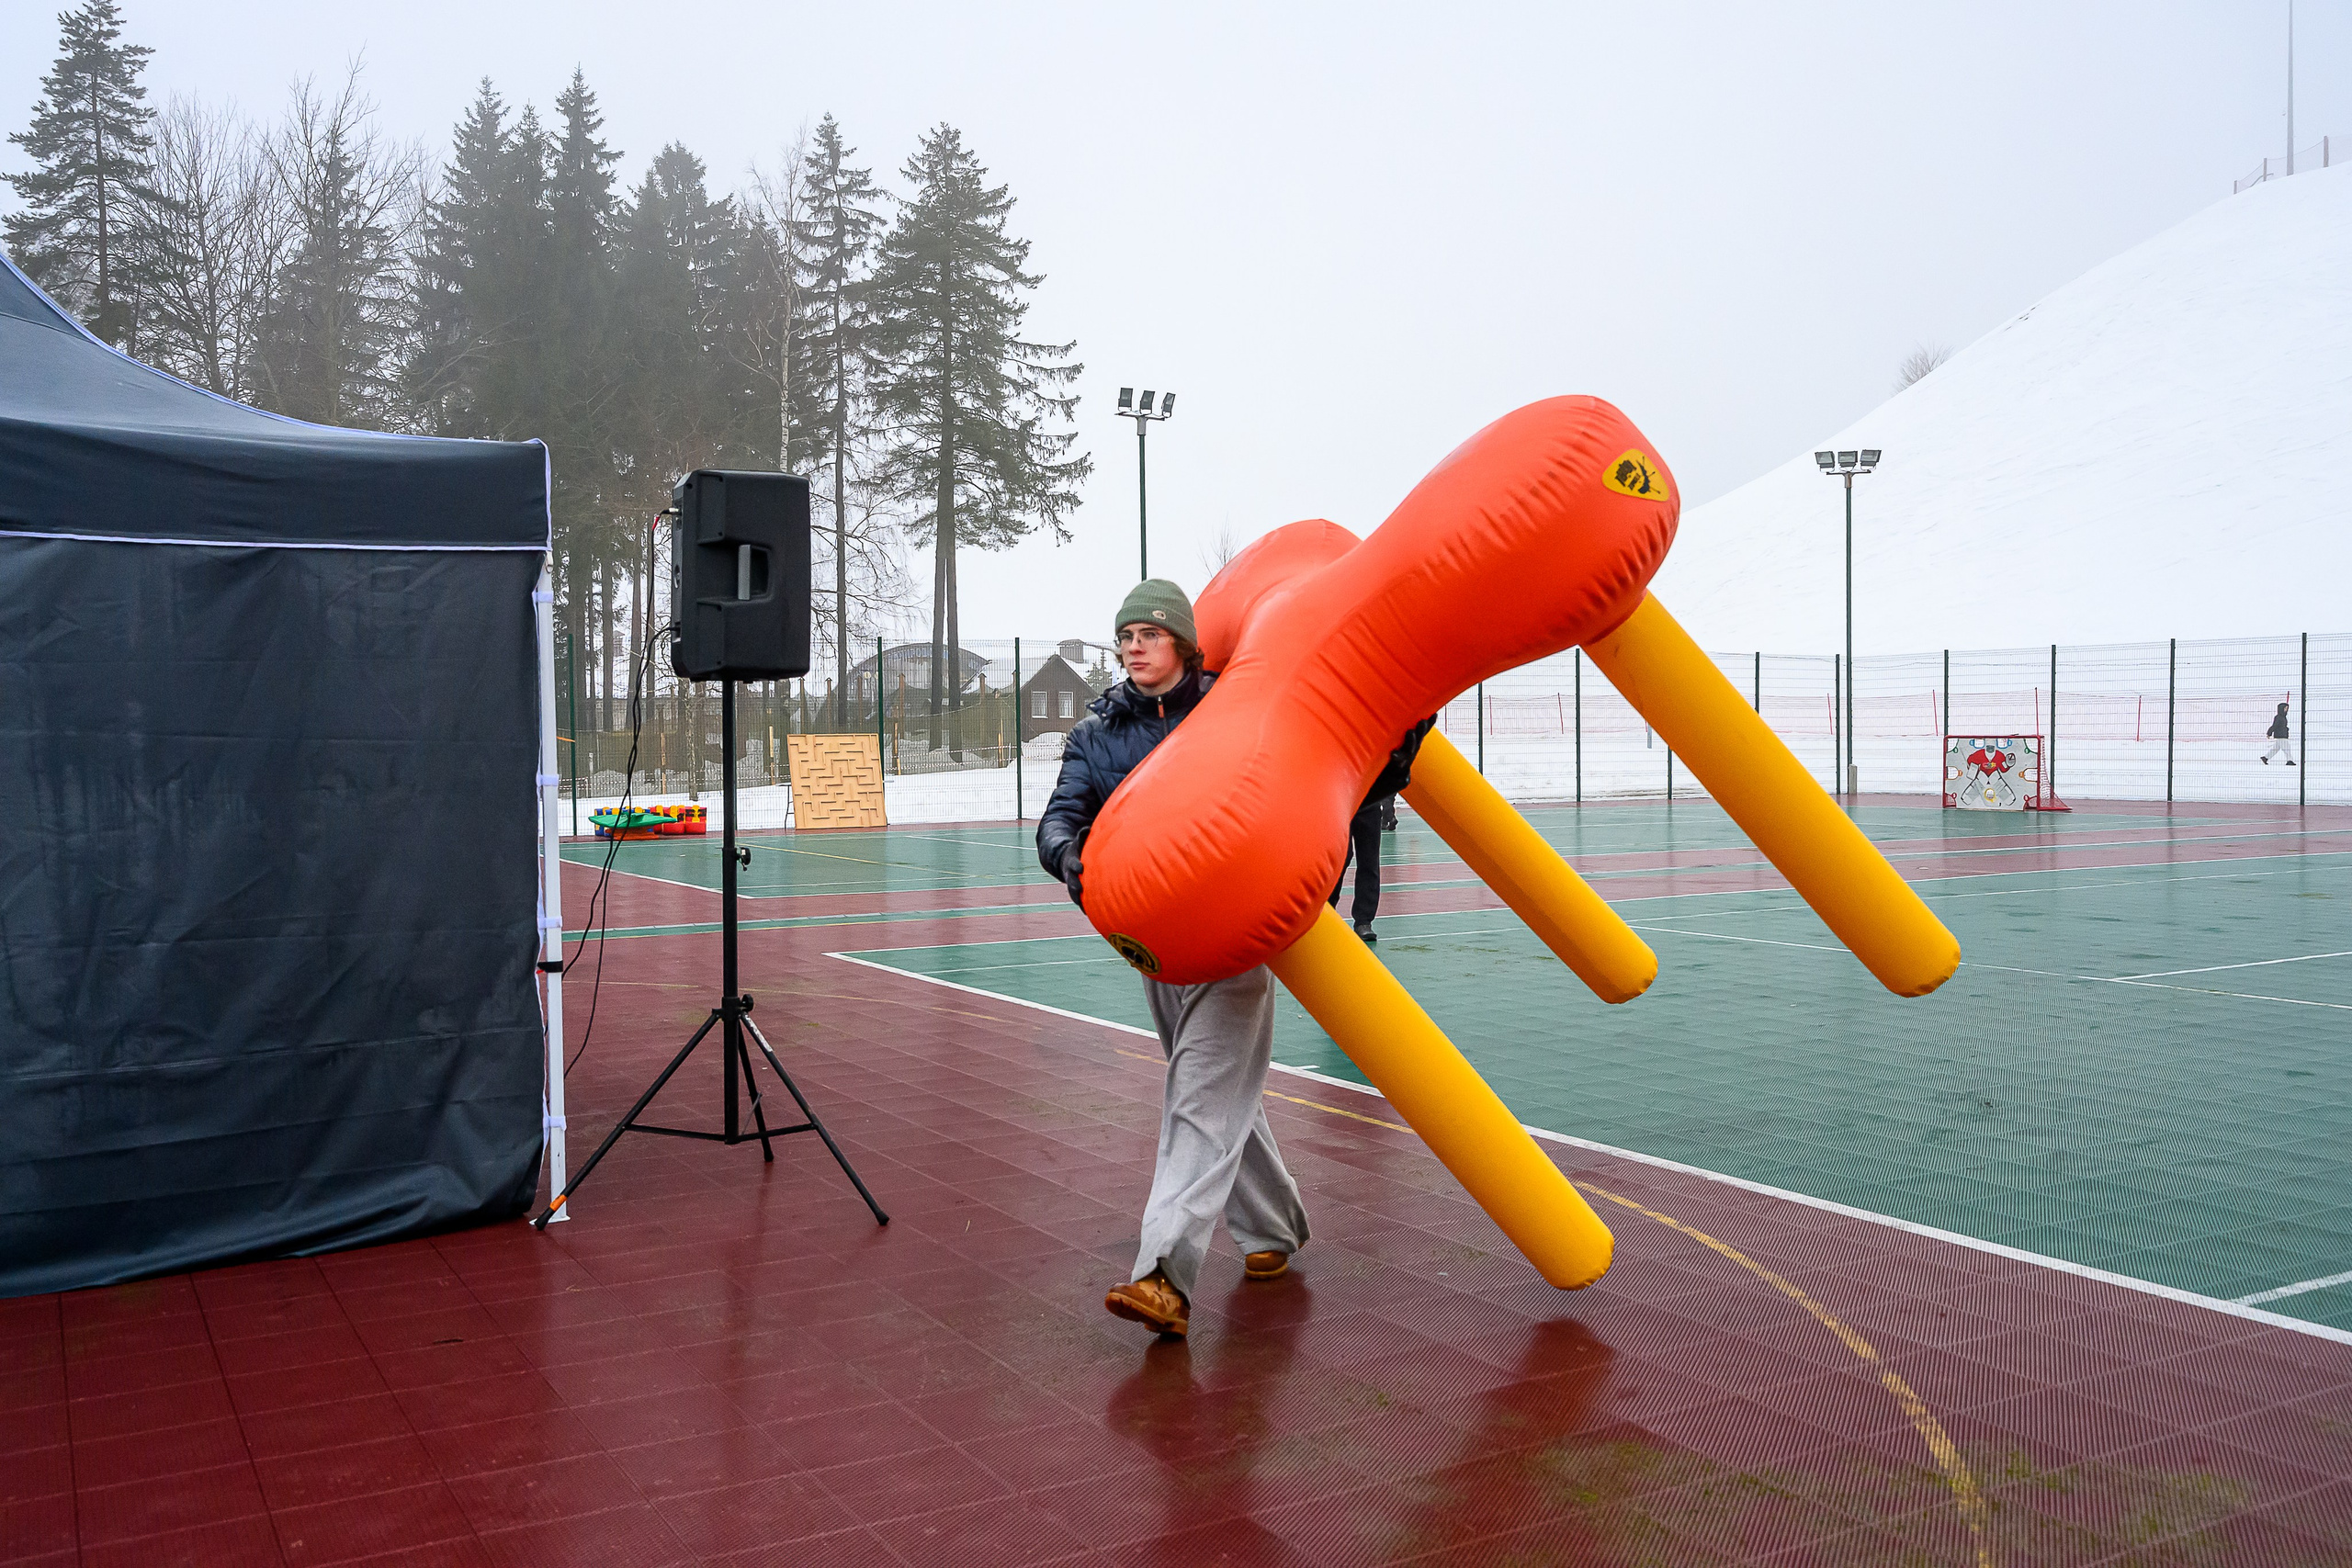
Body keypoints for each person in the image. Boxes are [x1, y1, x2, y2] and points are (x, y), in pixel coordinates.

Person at [1036, 580, 1310, 1339]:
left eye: (1149, 634)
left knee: (1198, 1091)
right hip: (1155, 944)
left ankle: (1163, 1272)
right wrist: (1069, 856)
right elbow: (1059, 819)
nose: (1133, 646)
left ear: (1184, 644)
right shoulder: (1096, 734)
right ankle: (1275, 1226)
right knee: (1218, 1092)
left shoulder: (1230, 708)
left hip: (1233, 931)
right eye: (1125, 635)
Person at [1329, 717, 1435, 942]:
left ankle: (1364, 921)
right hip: (1341, 798)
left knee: (1369, 861)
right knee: (1340, 858)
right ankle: (1327, 911)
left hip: (1369, 799)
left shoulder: (1374, 730)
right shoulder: (1339, 730)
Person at [2261, 701, 2296, 766]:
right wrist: (2269, 733)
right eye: (2285, 708)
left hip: (2283, 734)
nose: (2286, 710)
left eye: (2287, 708)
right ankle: (2289, 760)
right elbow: (2274, 726)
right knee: (2287, 748)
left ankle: (2265, 758)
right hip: (2281, 735)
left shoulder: (2283, 717)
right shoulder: (2278, 717)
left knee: (2276, 748)